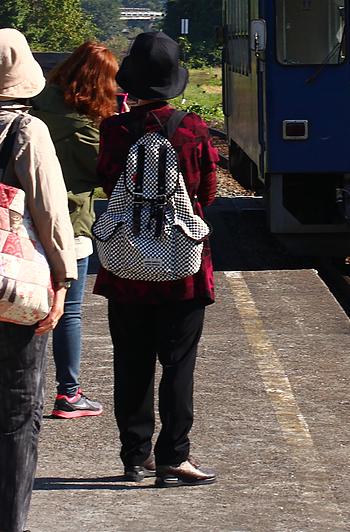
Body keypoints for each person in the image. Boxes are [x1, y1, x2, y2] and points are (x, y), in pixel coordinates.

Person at [0, 28, 78, 532]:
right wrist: (63, 278)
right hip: (14, 291)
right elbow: (50, 212)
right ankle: (10, 525)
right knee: (19, 417)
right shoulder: (28, 132)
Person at [95, 31, 219, 487]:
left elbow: (109, 185)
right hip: (181, 267)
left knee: (130, 359)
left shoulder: (114, 129)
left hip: (125, 265)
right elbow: (206, 193)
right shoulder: (192, 129)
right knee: (178, 361)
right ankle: (173, 456)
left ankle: (133, 457)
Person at [29, 41, 120, 419]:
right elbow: (107, 177)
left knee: (26, 307)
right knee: (69, 312)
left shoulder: (33, 109)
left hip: (27, 221)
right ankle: (68, 393)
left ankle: (27, 389)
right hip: (71, 224)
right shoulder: (85, 131)